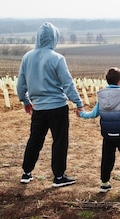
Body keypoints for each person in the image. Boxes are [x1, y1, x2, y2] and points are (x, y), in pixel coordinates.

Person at [17, 22, 84, 187]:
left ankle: (26, 172)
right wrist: (78, 102)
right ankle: (59, 177)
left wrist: (25, 101)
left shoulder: (27, 57)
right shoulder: (57, 58)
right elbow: (67, 84)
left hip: (38, 108)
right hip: (57, 108)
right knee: (60, 141)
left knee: (35, 140)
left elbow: (20, 85)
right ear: (55, 38)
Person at [78, 67, 120, 193]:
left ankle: (104, 183)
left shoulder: (102, 96)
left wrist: (82, 114)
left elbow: (93, 114)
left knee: (107, 158)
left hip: (107, 134)